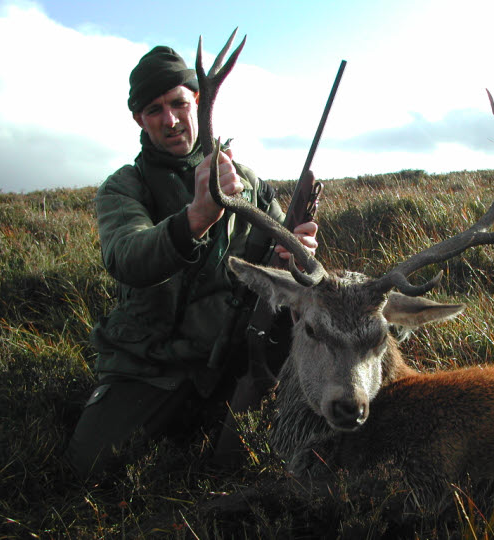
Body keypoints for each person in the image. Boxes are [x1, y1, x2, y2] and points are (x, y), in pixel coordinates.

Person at [65, 45, 318, 478]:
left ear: (197, 102)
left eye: (179, 103)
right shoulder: (124, 188)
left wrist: (298, 251)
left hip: (236, 356)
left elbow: (287, 258)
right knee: (88, 469)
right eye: (154, 110)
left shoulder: (248, 183)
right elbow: (128, 258)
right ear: (139, 119)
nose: (170, 120)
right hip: (153, 364)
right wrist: (196, 218)